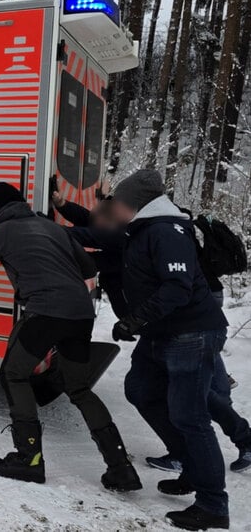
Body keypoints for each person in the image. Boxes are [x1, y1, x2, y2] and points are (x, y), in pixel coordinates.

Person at [0, 182, 141, 491]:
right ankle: (120, 467)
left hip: (45, 312)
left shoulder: (0, 233)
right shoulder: (53, 228)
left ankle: (28, 460)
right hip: (80, 314)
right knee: (78, 388)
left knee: (13, 374)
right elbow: (88, 267)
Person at [107, 169, 230, 530]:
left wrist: (134, 320)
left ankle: (213, 506)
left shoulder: (166, 231)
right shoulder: (146, 229)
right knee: (140, 390)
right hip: (163, 333)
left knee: (190, 417)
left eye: (118, 203)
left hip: (191, 334)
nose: (114, 209)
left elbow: (177, 288)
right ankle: (190, 467)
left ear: (134, 204)